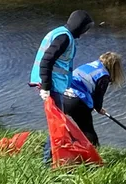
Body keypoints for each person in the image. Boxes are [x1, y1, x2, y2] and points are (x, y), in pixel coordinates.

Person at [29, 10, 94, 163]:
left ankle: (57, 158)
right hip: (51, 86)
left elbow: (60, 64)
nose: (85, 33)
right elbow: (46, 61)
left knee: (58, 123)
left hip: (54, 85)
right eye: (86, 29)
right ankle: (48, 163)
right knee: (57, 125)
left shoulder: (61, 33)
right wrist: (45, 87)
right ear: (80, 27)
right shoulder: (64, 38)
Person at [63, 52, 126, 147]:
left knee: (64, 126)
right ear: (115, 67)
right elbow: (98, 96)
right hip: (77, 100)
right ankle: (94, 155)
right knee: (88, 131)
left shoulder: (89, 65)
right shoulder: (103, 75)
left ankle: (68, 146)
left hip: (63, 96)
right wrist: (98, 108)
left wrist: (96, 106)